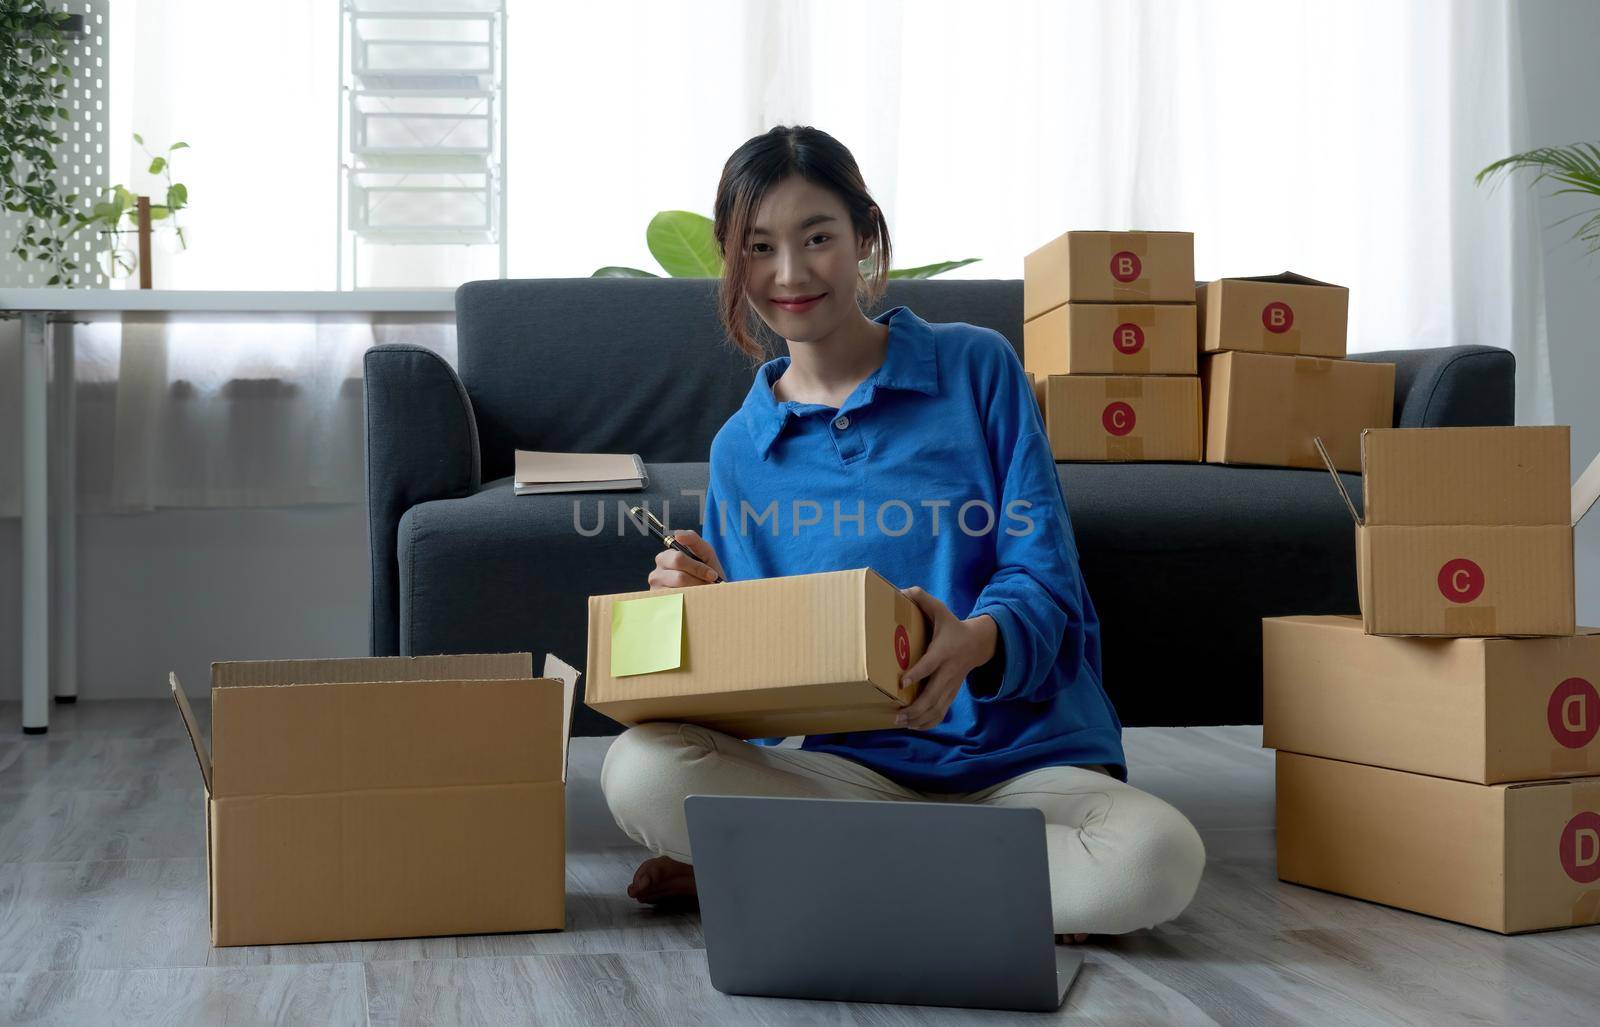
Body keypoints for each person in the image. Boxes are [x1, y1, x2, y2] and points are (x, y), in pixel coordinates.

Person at [600, 125, 1205, 943]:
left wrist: (977, 640)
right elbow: (763, 676)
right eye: (759, 247)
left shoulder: (976, 368)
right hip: (847, 774)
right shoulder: (740, 450)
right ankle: (963, 882)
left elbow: (1042, 570)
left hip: (1023, 765)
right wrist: (698, 611)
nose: (790, 272)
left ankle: (776, 869)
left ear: (863, 238)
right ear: (733, 263)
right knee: (637, 771)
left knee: (1153, 860)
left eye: (817, 237)